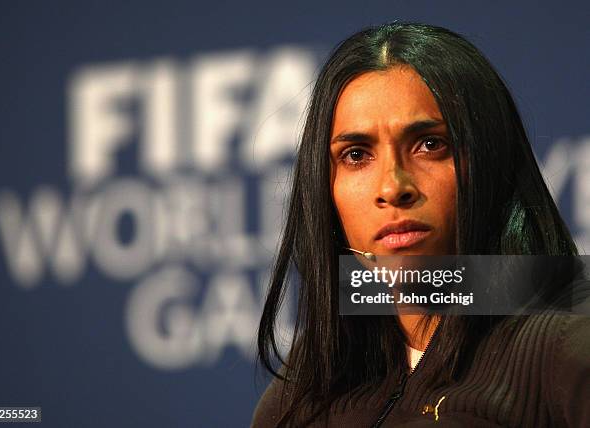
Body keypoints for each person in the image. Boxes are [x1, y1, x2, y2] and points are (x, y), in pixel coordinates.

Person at [252, 22, 590, 427]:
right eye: (356, 155)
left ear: (491, 160)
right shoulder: (303, 391)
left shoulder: (572, 341)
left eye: (431, 144)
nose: (393, 187)